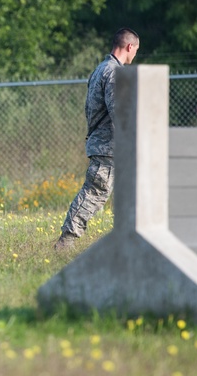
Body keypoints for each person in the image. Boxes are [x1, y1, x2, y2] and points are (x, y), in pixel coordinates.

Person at [54, 27, 140, 251]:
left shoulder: (100, 69)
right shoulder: (113, 72)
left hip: (107, 143)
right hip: (109, 145)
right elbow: (118, 111)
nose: (135, 55)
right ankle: (66, 240)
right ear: (129, 47)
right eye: (136, 50)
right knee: (96, 192)